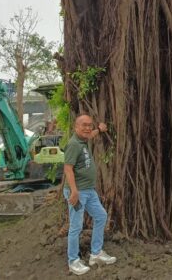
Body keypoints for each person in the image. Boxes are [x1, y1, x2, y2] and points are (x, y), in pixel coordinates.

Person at [63, 114, 117, 276]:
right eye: (84, 125)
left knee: (101, 216)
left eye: (89, 125)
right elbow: (67, 168)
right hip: (78, 192)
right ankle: (73, 261)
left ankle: (96, 253)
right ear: (75, 127)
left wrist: (99, 130)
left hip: (89, 191)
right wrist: (74, 191)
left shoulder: (83, 140)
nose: (87, 128)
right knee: (76, 226)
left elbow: (90, 134)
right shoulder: (73, 144)